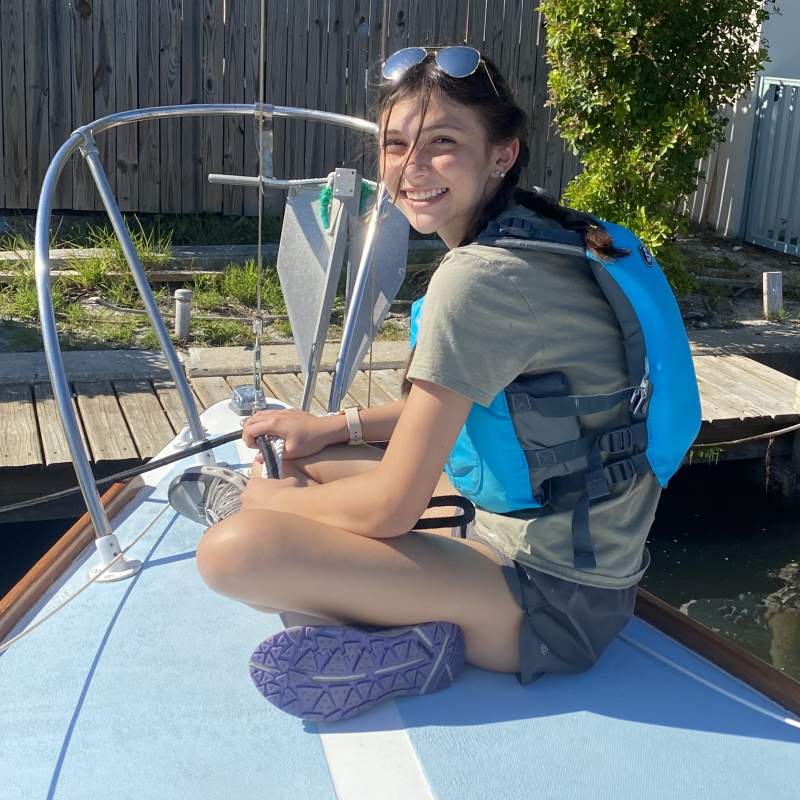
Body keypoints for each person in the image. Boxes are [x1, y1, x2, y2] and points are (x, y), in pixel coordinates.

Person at [180, 46, 698, 724]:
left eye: (442, 145)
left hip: (547, 605)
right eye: (396, 146)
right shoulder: (546, 239)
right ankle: (395, 628)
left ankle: (404, 645)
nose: (411, 169)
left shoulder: (477, 280)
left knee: (233, 552)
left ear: (502, 153)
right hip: (562, 568)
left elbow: (395, 508)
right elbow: (468, 403)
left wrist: (266, 506)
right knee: (307, 459)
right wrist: (332, 429)